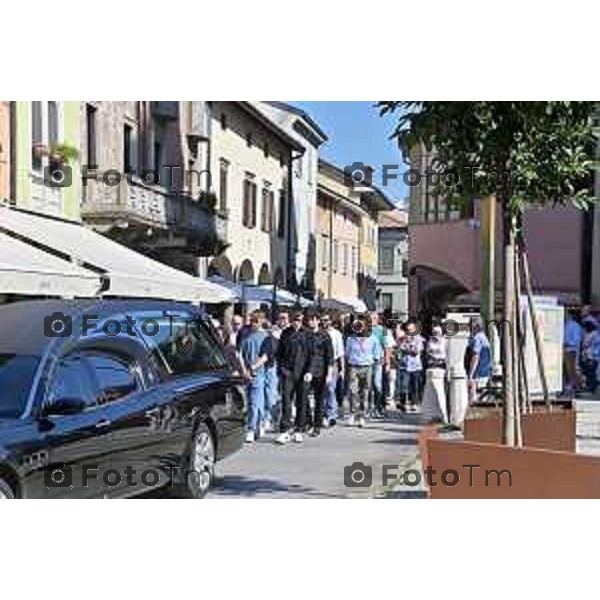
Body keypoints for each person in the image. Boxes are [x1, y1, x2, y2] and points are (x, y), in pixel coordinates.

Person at [275, 310, 306, 444]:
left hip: (303, 373)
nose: (296, 322)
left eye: (298, 320)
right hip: (287, 372)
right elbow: (280, 352)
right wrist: (281, 368)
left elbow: (311, 355)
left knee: (301, 402)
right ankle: (284, 430)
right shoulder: (285, 333)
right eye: (294, 320)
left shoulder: (307, 334)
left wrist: (309, 371)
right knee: (286, 401)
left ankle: (299, 429)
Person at [301, 309, 334, 437]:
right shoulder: (306, 335)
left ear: (317, 321)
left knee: (319, 399)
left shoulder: (325, 335)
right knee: (303, 397)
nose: (310, 322)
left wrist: (329, 374)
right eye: (308, 320)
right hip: (307, 370)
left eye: (312, 319)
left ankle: (317, 425)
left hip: (321, 371)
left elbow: (330, 356)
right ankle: (308, 421)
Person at [345, 314, 382, 427]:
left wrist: (376, 370)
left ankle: (362, 415)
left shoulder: (373, 339)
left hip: (367, 367)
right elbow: (347, 354)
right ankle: (352, 413)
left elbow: (377, 356)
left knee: (365, 392)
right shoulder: (351, 339)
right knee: (353, 391)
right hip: (354, 367)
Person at [239, 310, 270, 443]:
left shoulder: (266, 337)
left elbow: (265, 357)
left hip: (258, 374)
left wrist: (252, 368)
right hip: (247, 374)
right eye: (252, 320)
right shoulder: (246, 336)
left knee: (255, 403)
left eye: (255, 321)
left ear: (261, 321)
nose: (253, 323)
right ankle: (258, 424)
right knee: (252, 403)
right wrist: (243, 370)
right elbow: (239, 354)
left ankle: (253, 428)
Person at [321, 311, 345, 427]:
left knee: (331, 389)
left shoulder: (336, 334)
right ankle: (324, 413)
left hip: (333, 363)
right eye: (322, 320)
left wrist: (342, 368)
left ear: (330, 321)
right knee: (322, 390)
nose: (324, 323)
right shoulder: (319, 333)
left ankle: (331, 415)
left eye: (326, 320)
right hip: (320, 364)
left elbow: (340, 353)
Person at [465, 317, 492, 404]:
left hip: (478, 373)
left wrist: (471, 374)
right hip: (485, 371)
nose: (469, 327)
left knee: (474, 400)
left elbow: (475, 357)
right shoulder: (484, 337)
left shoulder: (477, 338)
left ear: (475, 326)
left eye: (470, 325)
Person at [403, 322, 425, 412]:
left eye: (411, 329)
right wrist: (408, 347)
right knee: (405, 385)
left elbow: (416, 351)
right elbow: (400, 348)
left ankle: (414, 403)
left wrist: (408, 347)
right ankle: (405, 402)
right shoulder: (404, 338)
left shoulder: (419, 339)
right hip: (405, 365)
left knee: (415, 385)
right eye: (408, 329)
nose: (410, 331)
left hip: (416, 366)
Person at [262, 319, 279, 433]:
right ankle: (266, 419)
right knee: (265, 396)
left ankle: (272, 419)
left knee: (270, 396)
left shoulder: (274, 340)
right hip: (264, 368)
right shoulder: (265, 339)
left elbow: (275, 355)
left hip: (271, 368)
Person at [563, 309, 583, 397]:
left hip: (572, 351)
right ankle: (571, 387)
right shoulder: (565, 325)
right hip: (565, 350)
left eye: (566, 314)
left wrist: (567, 343)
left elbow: (576, 340)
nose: (565, 315)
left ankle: (577, 387)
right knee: (568, 370)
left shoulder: (575, 326)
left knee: (572, 370)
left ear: (570, 315)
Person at [580, 319, 599, 394]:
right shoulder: (588, 334)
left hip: (592, 357)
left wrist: (592, 354)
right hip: (587, 356)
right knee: (588, 373)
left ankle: (592, 388)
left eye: (584, 327)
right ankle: (590, 387)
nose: (583, 329)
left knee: (591, 373)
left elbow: (595, 346)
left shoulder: (594, 334)